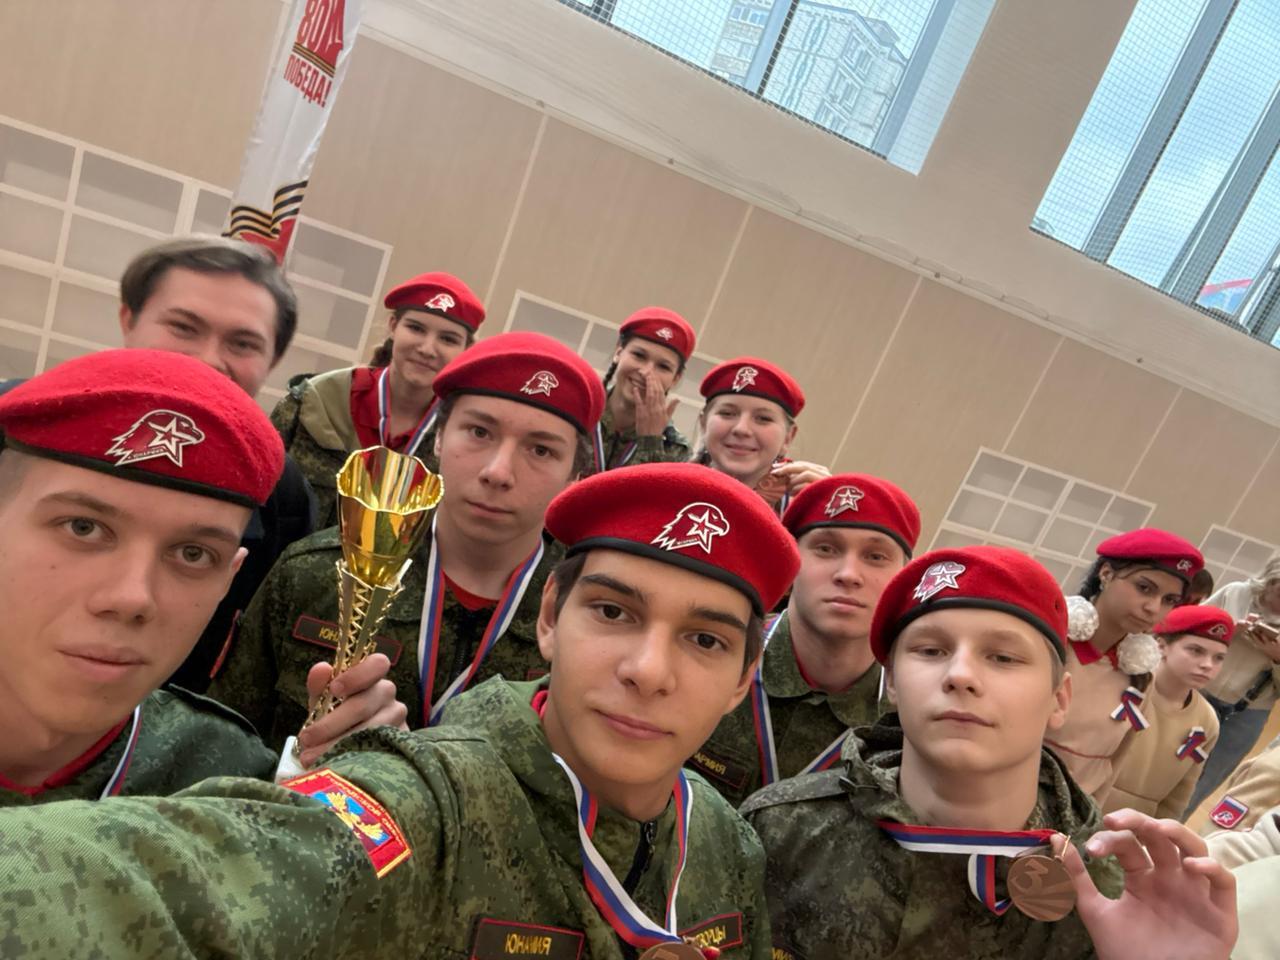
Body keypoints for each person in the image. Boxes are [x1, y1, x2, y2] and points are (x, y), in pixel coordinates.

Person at [0, 462, 801, 959]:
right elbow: (172, 878)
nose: (648, 670)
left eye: (703, 640)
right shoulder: (429, 805)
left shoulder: (728, 844)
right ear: (552, 618)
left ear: (744, 678)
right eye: (614, 612)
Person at [741, 545, 1238, 960]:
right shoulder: (780, 831)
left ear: (1059, 699)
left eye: (1003, 657)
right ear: (891, 683)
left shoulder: (1109, 893)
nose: (960, 675)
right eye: (931, 650)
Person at [0, 350, 395, 803]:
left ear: (229, 578)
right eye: (83, 527)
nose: (132, 597)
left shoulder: (232, 787)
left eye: (193, 554)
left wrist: (359, 799)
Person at [208, 331, 605, 760]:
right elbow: (221, 745)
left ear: (575, 477)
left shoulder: (587, 623)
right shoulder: (317, 573)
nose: (497, 472)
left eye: (541, 450)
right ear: (438, 437)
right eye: (479, 431)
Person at [0, 237, 317, 693]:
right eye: (183, 327)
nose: (208, 359)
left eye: (243, 343)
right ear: (128, 318)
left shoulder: (281, 493)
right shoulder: (19, 425)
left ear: (274, 360)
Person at [690, 472, 919, 804]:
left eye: (875, 556)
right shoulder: (711, 652)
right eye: (826, 549)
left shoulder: (910, 716)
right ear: (790, 562)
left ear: (903, 578)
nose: (848, 575)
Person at [271, 271, 484, 527]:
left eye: (448, 339)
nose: (427, 349)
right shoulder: (314, 402)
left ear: (465, 350)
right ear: (393, 326)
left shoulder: (465, 440)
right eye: (416, 328)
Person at [1044, 529, 1203, 804]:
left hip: (1070, 815)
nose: (1153, 608)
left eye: (1169, 600)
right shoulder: (1049, 642)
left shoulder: (1140, 675)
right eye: (1144, 588)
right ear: (1106, 573)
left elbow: (1113, 764)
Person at [1105, 604, 1232, 820]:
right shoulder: (1122, 685)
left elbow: (1179, 796)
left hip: (1135, 827)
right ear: (1161, 646)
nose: (1207, 665)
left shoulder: (1207, 721)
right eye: (1196, 650)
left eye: (1219, 658)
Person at [1184, 556, 1280, 815]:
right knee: (1158, 766)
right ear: (1270, 581)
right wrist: (1227, 631)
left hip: (1245, 715)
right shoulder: (1236, 592)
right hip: (1196, 693)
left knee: (1199, 787)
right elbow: (1187, 630)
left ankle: (1159, 835)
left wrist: (1277, 658)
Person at [695, 358, 829, 513]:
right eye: (727, 413)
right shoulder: (672, 488)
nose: (742, 429)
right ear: (703, 424)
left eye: (763, 418)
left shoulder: (803, 511)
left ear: (788, 437)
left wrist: (829, 513)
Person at [596, 307, 696, 470]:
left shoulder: (677, 450)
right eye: (639, 355)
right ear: (619, 352)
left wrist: (651, 442)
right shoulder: (580, 412)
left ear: (675, 379)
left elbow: (652, 488)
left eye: (663, 366)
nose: (646, 372)